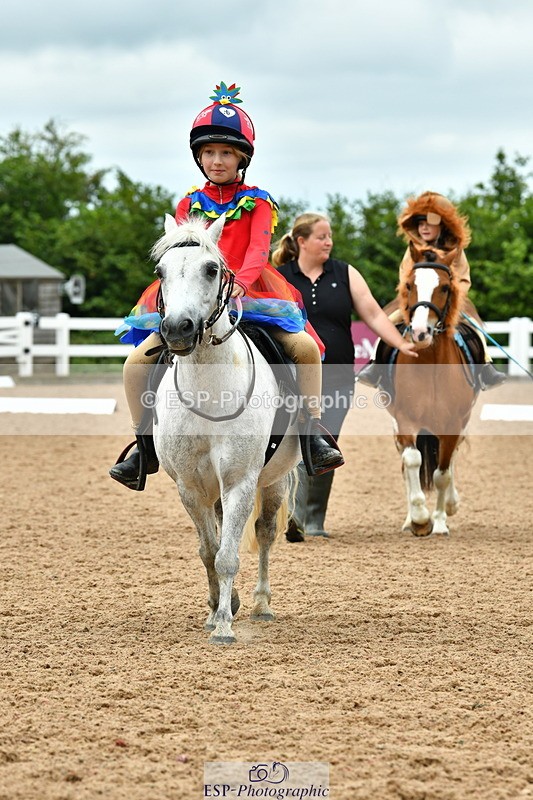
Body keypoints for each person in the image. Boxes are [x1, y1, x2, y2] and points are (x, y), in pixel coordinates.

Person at [109, 82, 344, 490]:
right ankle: (143, 445)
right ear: (199, 157)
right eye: (209, 153)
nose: (217, 160)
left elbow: (257, 250)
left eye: (226, 153)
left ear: (241, 158)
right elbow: (181, 253)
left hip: (249, 293)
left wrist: (239, 284)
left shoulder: (259, 201)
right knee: (135, 364)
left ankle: (312, 434)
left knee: (305, 349)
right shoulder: (188, 202)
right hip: (194, 295)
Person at [272, 213, 419, 539]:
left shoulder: (344, 273)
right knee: (293, 441)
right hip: (290, 374)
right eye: (322, 236)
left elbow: (372, 314)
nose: (329, 242)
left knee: (326, 440)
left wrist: (401, 344)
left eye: (330, 236)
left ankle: (314, 521)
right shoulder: (280, 276)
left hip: (338, 376)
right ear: (302, 242)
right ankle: (294, 516)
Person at [358, 191, 506, 390]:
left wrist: (452, 299)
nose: (424, 227)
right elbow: (405, 276)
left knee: (476, 328)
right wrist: (413, 296)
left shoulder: (455, 249)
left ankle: (486, 367)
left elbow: (463, 277)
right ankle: (375, 364)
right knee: (388, 322)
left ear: (442, 225)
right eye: (420, 224)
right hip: (417, 299)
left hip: (448, 301)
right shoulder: (413, 249)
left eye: (430, 223)